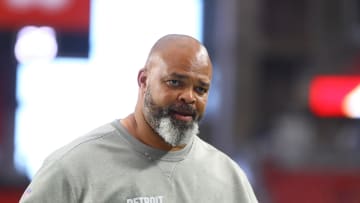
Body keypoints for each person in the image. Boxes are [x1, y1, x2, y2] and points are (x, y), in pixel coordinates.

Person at [19, 34, 258, 203]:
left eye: (201, 89)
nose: (189, 97)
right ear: (144, 81)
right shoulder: (73, 169)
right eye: (175, 82)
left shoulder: (228, 178)